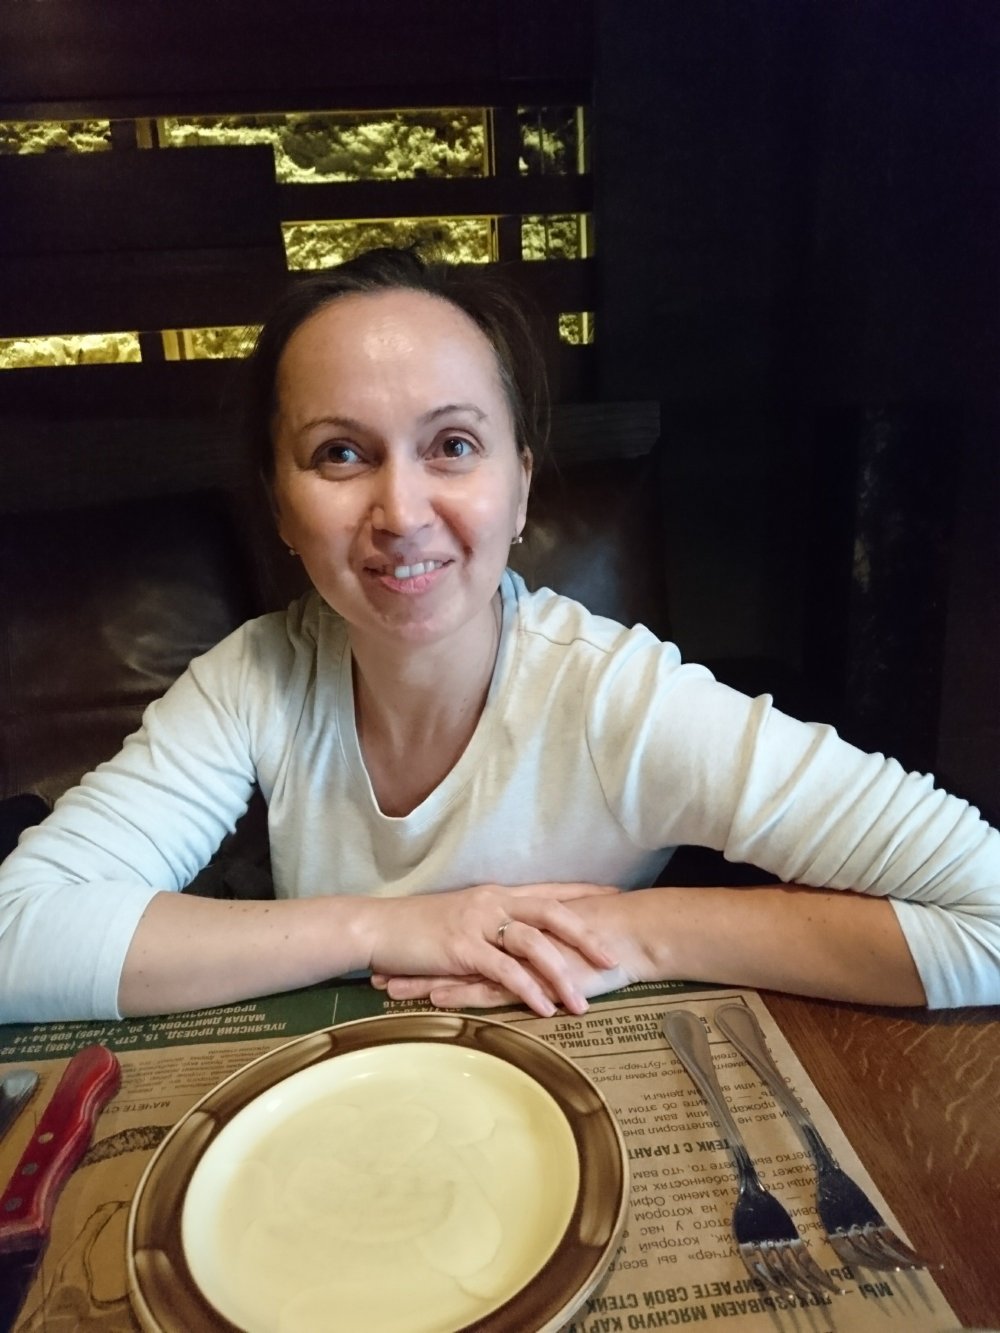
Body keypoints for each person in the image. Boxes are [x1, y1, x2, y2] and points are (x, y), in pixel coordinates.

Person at [1, 248, 998, 1025]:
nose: (402, 511)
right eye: (340, 452)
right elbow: (18, 934)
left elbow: (987, 915)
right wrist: (389, 925)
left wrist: (639, 932)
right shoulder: (253, 680)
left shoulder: (619, 701)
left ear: (519, 486)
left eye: (453, 445)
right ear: (280, 505)